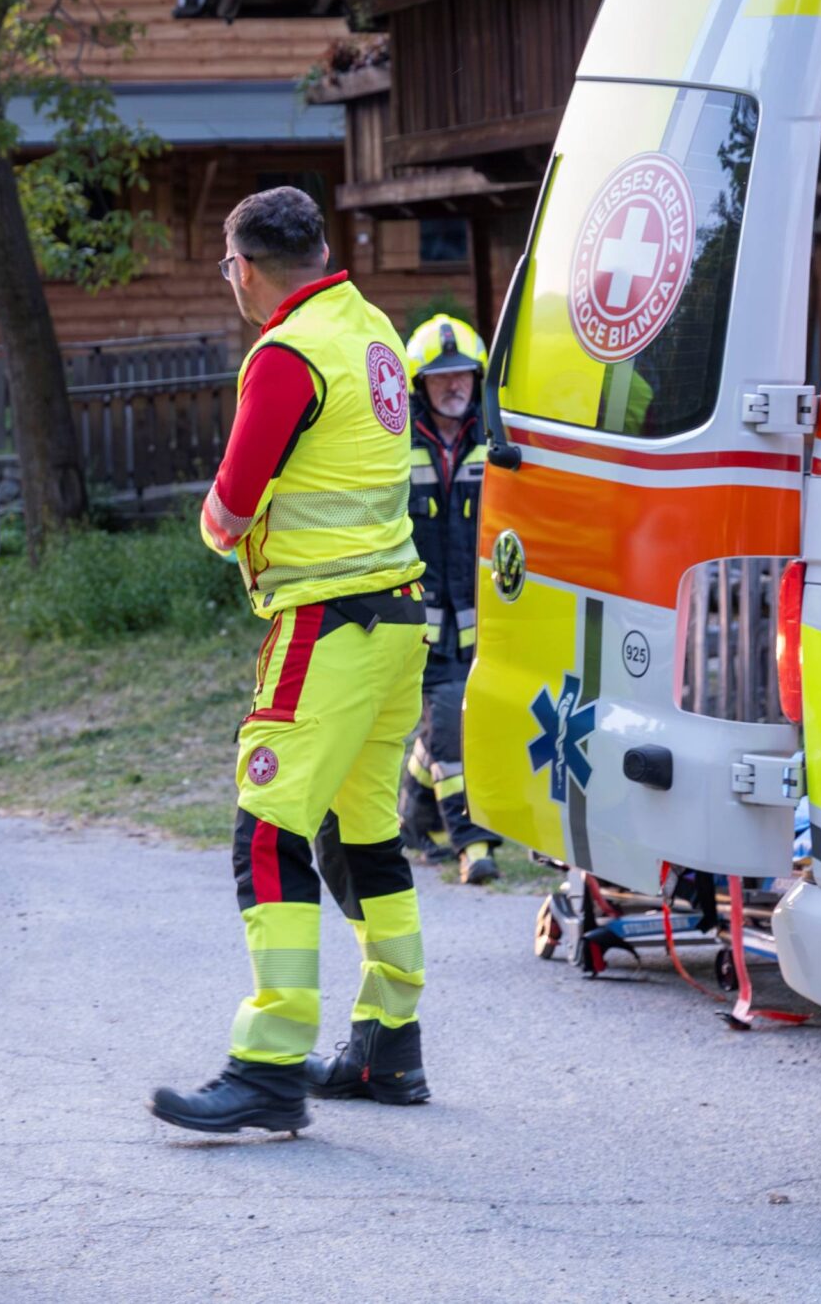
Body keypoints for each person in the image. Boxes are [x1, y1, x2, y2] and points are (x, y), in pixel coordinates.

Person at [150, 186, 432, 1137]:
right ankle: (389, 1044)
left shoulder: (286, 354)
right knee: (364, 838)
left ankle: (269, 1062)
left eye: (226, 266)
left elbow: (229, 507)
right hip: (398, 618)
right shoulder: (372, 329)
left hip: (325, 624)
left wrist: (219, 525)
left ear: (244, 268)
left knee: (268, 831)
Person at [398, 314, 500, 886]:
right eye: (441, 378)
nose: (454, 385)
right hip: (420, 625)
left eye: (463, 375)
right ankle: (474, 844)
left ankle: (413, 820)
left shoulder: (498, 442)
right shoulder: (395, 448)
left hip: (484, 622)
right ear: (420, 385)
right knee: (455, 731)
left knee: (445, 728)